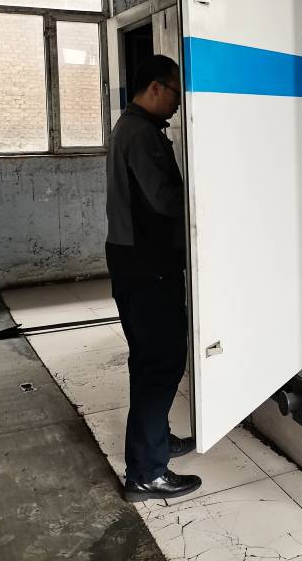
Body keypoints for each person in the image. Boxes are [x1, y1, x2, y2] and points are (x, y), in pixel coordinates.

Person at [105, 54, 201, 502]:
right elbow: (162, 200)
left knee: (147, 358)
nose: (180, 102)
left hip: (134, 260)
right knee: (161, 360)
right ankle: (146, 472)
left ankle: (156, 442)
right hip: (147, 266)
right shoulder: (141, 134)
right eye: (176, 92)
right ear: (157, 88)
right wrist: (207, 192)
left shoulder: (131, 128)